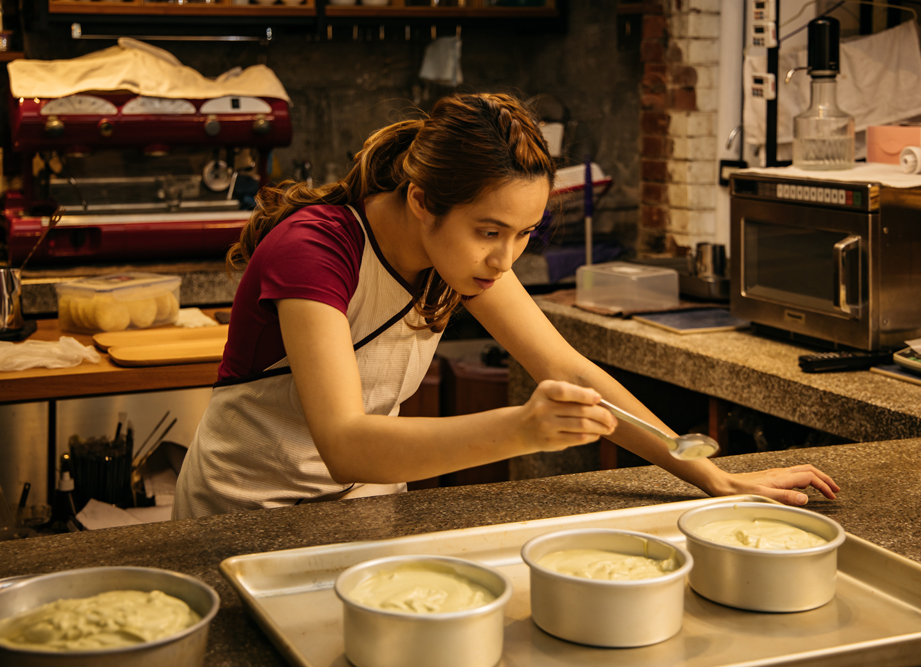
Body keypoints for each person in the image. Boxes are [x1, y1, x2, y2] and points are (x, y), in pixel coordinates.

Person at [173, 93, 838, 520]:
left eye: (524, 235)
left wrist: (711, 478)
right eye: (491, 231)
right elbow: (346, 443)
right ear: (422, 200)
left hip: (360, 512)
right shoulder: (316, 249)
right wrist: (521, 428)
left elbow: (567, 369)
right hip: (246, 514)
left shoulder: (462, 255)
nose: (504, 259)